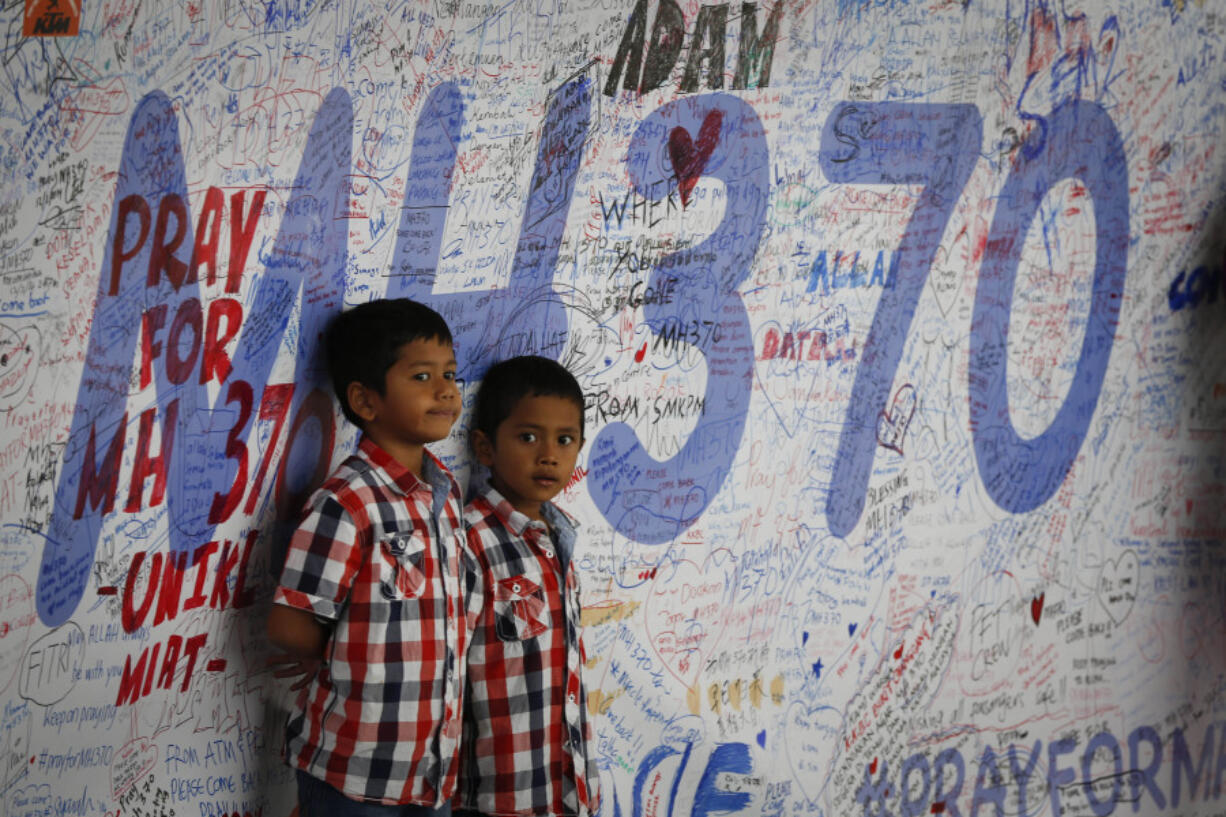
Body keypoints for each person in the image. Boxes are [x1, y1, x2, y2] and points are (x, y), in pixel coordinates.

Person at [267, 297, 467, 816]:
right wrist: (360, 654)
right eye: (422, 377)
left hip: (430, 769)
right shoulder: (348, 501)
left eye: (450, 373)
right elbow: (292, 625)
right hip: (352, 769)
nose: (447, 389)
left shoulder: (445, 496)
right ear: (366, 400)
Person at [456, 356, 601, 817]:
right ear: (484, 446)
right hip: (494, 795)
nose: (548, 455)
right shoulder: (469, 541)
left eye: (565, 440)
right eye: (527, 437)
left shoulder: (560, 538)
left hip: (563, 791)